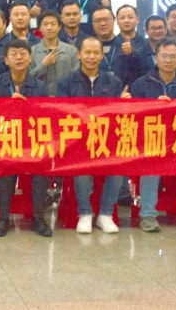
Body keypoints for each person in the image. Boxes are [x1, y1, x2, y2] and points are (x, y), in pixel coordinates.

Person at [56, 37, 131, 234]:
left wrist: (126, 103)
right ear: (79, 54)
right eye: (87, 52)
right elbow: (62, 114)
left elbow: (119, 115)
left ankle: (105, 214)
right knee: (81, 167)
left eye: (96, 53)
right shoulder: (66, 83)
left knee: (118, 165)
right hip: (77, 141)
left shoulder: (113, 82)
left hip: (107, 139)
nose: (91, 57)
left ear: (101, 55)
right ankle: (85, 213)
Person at [130, 36, 176, 233]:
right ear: (156, 58)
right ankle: (148, 215)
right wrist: (154, 107)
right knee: (151, 160)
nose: (168, 60)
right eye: (164, 56)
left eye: (173, 56)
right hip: (151, 137)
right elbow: (133, 116)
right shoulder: (141, 84)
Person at [0, 39, 53, 237]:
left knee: (41, 165)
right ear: (6, 60)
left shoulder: (40, 86)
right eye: (13, 54)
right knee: (4, 164)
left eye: (23, 53)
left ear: (30, 59)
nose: (18, 57)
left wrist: (25, 109)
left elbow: (43, 117)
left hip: (31, 142)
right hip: (4, 141)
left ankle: (38, 218)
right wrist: (9, 107)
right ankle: (3, 218)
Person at [30, 10, 80, 96]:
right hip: (39, 99)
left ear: (59, 27)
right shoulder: (31, 51)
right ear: (40, 28)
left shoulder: (72, 51)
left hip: (65, 98)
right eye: (45, 24)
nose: (49, 28)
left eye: (53, 24)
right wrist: (43, 65)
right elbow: (27, 78)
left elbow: (76, 77)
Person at [113, 5, 153, 86]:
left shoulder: (146, 43)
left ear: (137, 20)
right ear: (117, 21)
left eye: (130, 17)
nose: (126, 21)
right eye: (122, 18)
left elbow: (150, 68)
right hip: (117, 87)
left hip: (141, 87)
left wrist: (133, 53)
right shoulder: (113, 42)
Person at [89, 7, 119, 75]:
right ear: (92, 24)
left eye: (106, 19)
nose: (102, 23)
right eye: (98, 21)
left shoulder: (124, 45)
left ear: (114, 20)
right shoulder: (88, 47)